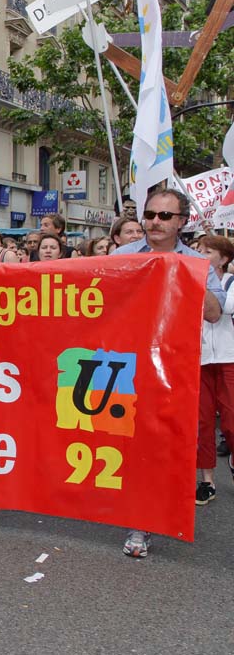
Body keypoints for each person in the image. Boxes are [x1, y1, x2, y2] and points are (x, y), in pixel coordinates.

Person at [114, 188, 224, 558]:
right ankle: (137, 516)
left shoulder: (197, 262)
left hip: (174, 370)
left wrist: (185, 276)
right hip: (124, 365)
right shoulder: (122, 255)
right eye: (150, 214)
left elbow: (213, 313)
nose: (155, 222)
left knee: (164, 445)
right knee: (129, 443)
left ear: (182, 221)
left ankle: (149, 519)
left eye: (164, 216)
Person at [194, 234, 234, 506]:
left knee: (230, 421)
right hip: (199, 358)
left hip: (229, 358)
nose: (201, 255)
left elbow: (222, 309)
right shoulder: (190, 278)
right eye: (198, 251)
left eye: (207, 252)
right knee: (203, 422)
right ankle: (207, 479)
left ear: (223, 258)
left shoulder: (230, 282)